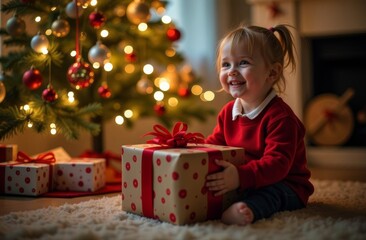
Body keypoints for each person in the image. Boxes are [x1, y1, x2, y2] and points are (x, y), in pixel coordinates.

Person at [205, 24, 314, 226]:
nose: (231, 72)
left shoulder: (281, 118)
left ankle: (250, 209)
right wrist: (194, 152)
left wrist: (239, 176)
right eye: (226, 64)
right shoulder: (228, 112)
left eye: (243, 63)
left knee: (271, 194)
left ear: (272, 73)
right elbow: (215, 145)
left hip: (286, 184)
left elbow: (277, 165)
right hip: (247, 180)